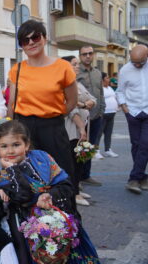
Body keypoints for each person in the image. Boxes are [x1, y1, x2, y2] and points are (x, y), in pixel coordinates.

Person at [0, 120, 100, 264]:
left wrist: (50, 195)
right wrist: (13, 169)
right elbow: (23, 197)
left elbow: (66, 185)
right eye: (4, 146)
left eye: (16, 144)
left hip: (59, 220)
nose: (10, 151)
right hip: (30, 230)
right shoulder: (4, 174)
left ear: (26, 145)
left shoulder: (42, 158)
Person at [7, 20, 77, 181]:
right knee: (29, 173)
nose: (31, 42)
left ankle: (63, 205)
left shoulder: (63, 67)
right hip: (24, 128)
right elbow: (11, 104)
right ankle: (31, 206)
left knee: (61, 171)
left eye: (36, 37)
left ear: (44, 38)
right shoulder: (16, 70)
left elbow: (72, 101)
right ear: (22, 46)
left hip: (53, 127)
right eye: (25, 40)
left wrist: (54, 116)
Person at [62, 56, 96, 206]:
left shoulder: (77, 84)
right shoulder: (63, 84)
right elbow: (70, 107)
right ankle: (73, 194)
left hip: (83, 127)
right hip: (72, 129)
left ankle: (77, 189)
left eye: (77, 64)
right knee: (72, 162)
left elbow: (92, 99)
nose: (77, 67)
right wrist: (81, 125)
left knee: (81, 159)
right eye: (74, 64)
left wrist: (87, 103)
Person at [116, 44, 148, 194]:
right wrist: (125, 108)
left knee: (145, 145)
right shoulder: (125, 70)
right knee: (136, 145)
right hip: (133, 112)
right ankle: (142, 178)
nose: (136, 65)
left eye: (140, 62)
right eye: (134, 61)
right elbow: (120, 91)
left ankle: (133, 179)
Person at [77, 45, 105, 184]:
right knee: (79, 147)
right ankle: (78, 177)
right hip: (82, 118)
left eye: (90, 53)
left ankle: (86, 175)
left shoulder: (98, 73)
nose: (88, 56)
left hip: (96, 117)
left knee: (91, 147)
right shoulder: (76, 73)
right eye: (84, 54)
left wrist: (101, 111)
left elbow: (101, 93)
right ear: (80, 56)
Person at [98, 72, 119, 158]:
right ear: (102, 80)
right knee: (99, 133)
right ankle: (96, 151)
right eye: (107, 78)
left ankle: (108, 150)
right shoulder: (100, 89)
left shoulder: (110, 88)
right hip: (103, 114)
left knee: (108, 133)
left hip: (112, 114)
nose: (109, 79)